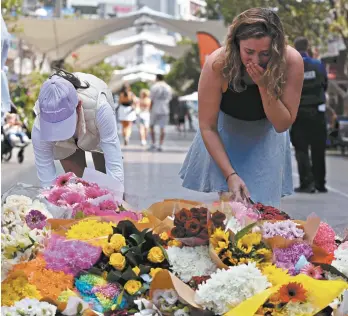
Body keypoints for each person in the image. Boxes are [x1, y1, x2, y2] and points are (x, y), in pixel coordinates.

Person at [179, 8, 304, 207]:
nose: (256, 60)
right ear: (236, 45)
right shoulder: (218, 63)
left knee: (265, 208)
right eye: (249, 52)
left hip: (266, 135)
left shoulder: (291, 61)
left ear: (277, 48)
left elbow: (281, 124)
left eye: (265, 53)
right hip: (224, 135)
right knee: (232, 210)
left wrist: (264, 85)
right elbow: (207, 126)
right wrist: (230, 175)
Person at [32, 69, 124, 191]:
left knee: (107, 184)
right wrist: (50, 205)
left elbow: (114, 164)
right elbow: (46, 177)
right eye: (54, 126)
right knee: (76, 186)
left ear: (78, 106)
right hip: (69, 140)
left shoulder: (100, 109)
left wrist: (116, 203)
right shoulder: (39, 127)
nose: (61, 133)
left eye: (64, 124)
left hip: (94, 129)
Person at [290, 37, 328, 193]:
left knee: (301, 148)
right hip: (318, 112)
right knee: (318, 148)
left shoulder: (291, 66)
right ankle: (320, 183)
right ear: (307, 46)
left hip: (299, 113)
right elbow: (325, 84)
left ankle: (307, 183)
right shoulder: (318, 65)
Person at [149, 74, 173, 151]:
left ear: (157, 78)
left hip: (155, 108)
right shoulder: (168, 87)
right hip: (165, 109)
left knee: (151, 126)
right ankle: (160, 144)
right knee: (163, 128)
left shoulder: (154, 87)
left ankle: (153, 143)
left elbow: (152, 99)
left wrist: (150, 109)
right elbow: (170, 98)